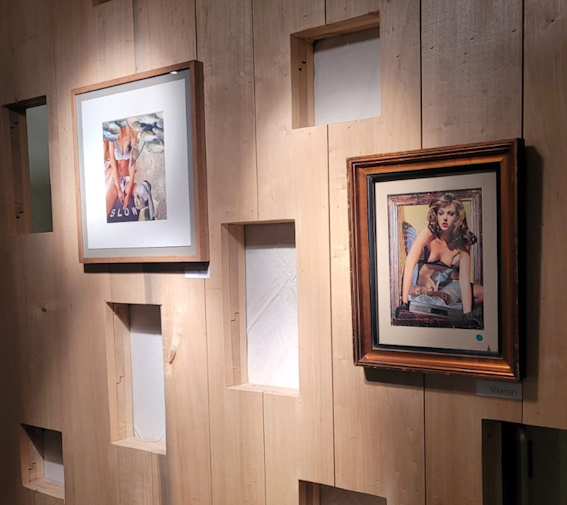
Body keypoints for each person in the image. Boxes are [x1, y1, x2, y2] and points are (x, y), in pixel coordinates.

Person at [398, 193, 483, 320]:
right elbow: (410, 264)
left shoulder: (463, 243)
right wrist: (404, 303)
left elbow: (464, 279)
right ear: (436, 214)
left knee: (482, 293)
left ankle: (457, 311)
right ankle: (449, 307)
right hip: (426, 286)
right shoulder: (427, 233)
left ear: (457, 217)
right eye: (441, 213)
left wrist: (467, 314)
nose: (445, 218)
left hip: (448, 287)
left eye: (450, 214)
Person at [104, 120, 140, 217]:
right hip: (116, 181)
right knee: (105, 210)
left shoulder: (132, 136)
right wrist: (119, 190)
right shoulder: (112, 138)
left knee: (142, 195)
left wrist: (128, 194)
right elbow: (113, 165)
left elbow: (132, 165)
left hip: (129, 180)